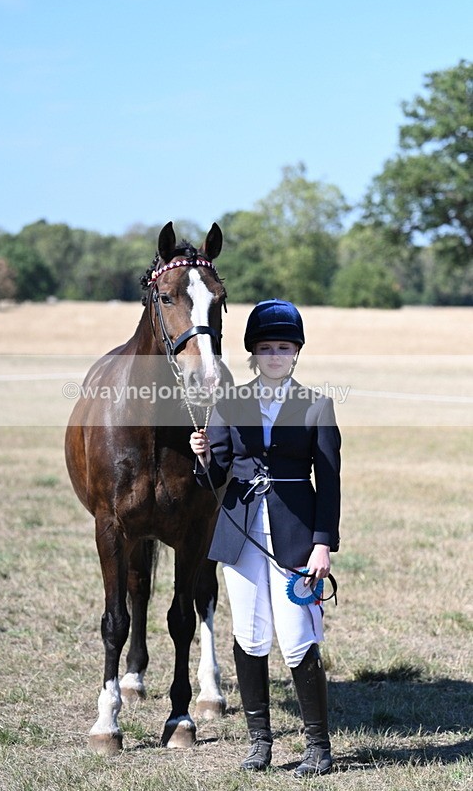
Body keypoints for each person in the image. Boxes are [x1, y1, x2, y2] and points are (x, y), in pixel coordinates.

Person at [190, 298, 341, 777]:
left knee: (297, 639)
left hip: (296, 536)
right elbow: (212, 476)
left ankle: (319, 746)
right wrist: (202, 456)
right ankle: (261, 743)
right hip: (242, 534)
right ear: (252, 353)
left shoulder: (316, 404)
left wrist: (323, 542)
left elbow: (330, 480)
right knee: (250, 636)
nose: (275, 355)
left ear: (296, 353)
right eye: (265, 347)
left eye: (284, 347)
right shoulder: (228, 402)